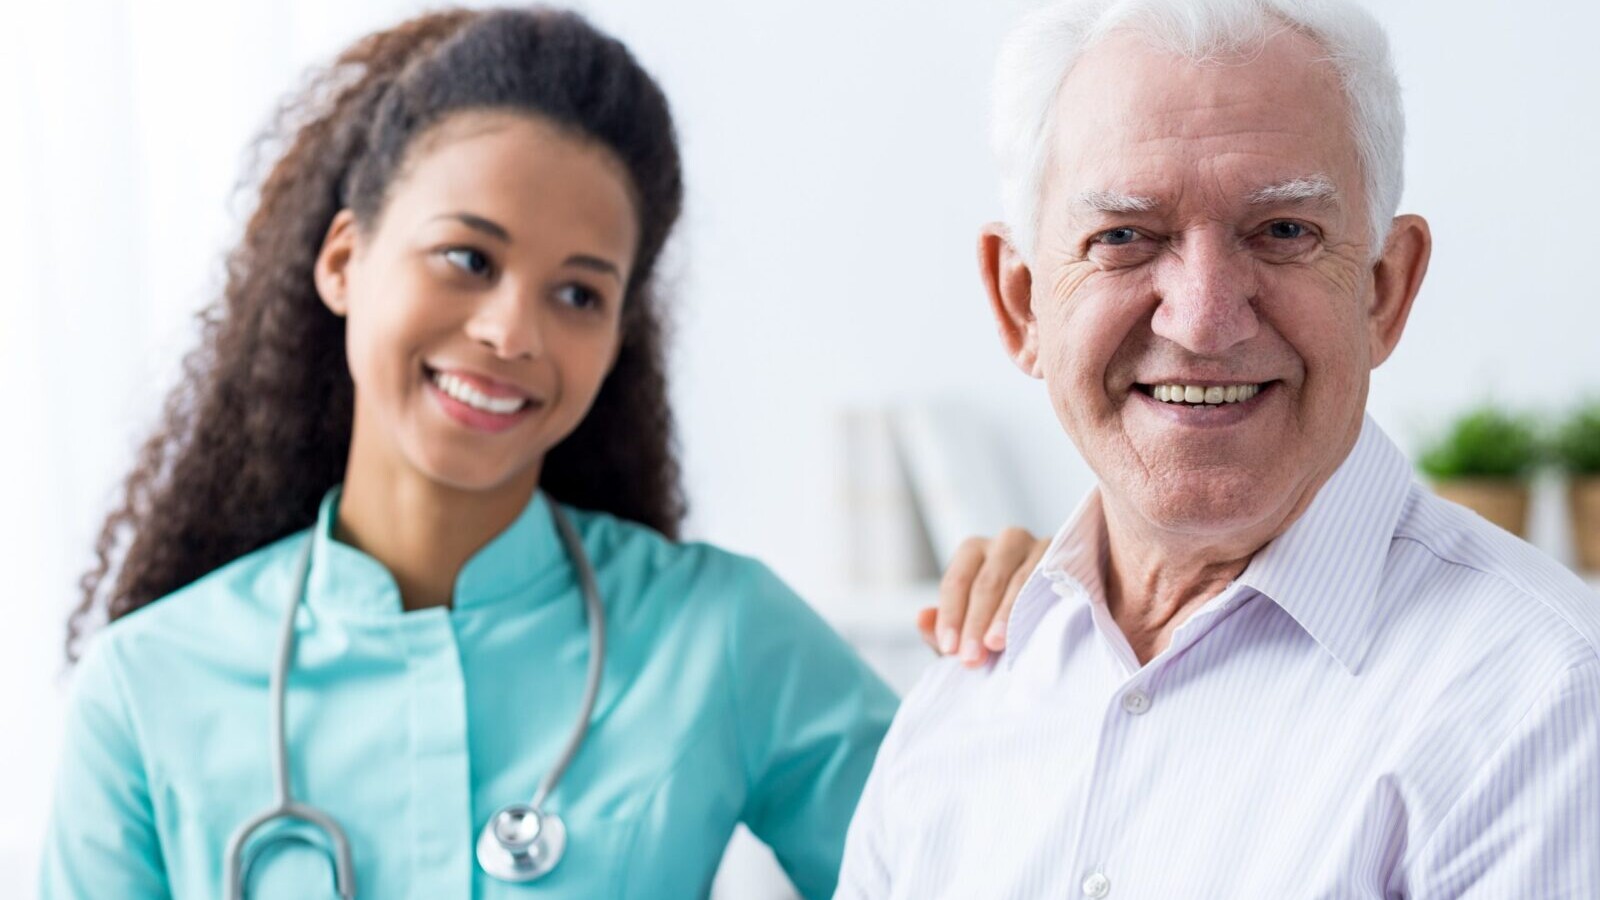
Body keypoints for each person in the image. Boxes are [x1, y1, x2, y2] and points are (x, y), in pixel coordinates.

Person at [40, 8, 1040, 898]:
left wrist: (1048, 651)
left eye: (577, 293)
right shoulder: (148, 688)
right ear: (345, 260)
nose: (513, 331)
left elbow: (997, 864)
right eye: (467, 259)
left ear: (616, 337)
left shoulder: (718, 640)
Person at [836, 0, 1600, 896]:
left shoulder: (1545, 706)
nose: (1202, 321)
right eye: (1123, 236)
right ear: (1022, 303)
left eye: (1282, 232)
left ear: (1384, 290)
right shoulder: (960, 709)